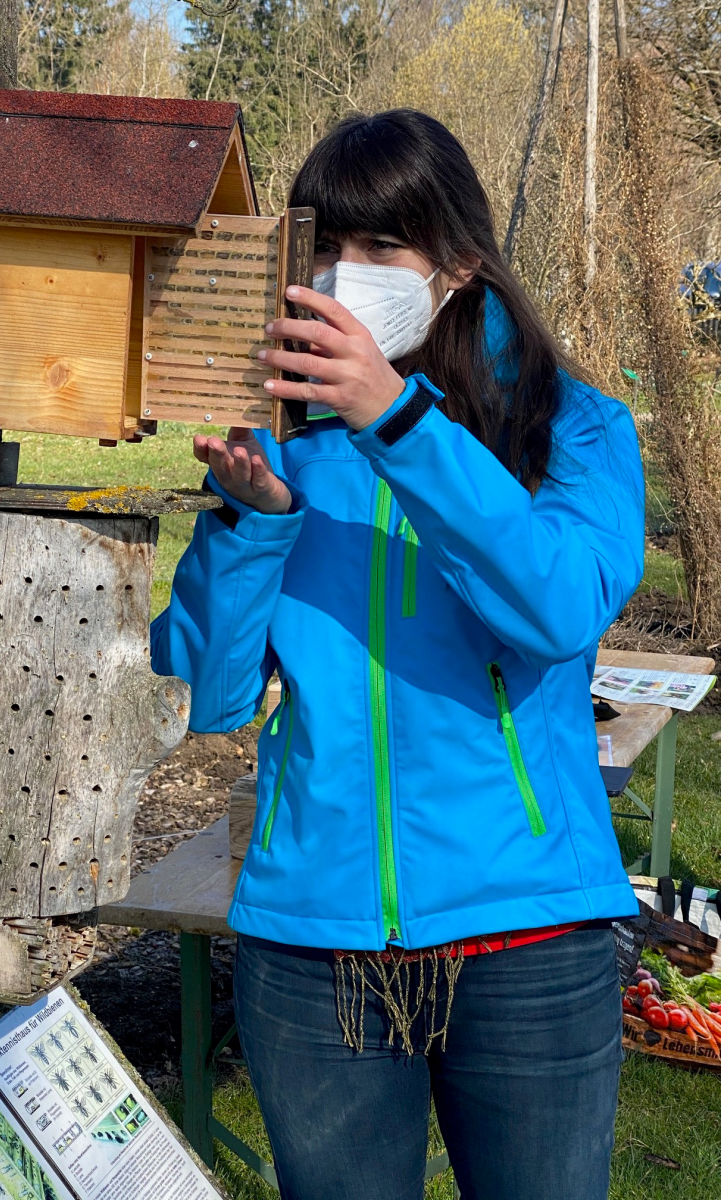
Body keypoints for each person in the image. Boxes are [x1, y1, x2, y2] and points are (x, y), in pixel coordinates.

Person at [151, 109, 645, 1200]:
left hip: (527, 932)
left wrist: (400, 424)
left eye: (381, 249)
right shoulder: (283, 438)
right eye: (324, 246)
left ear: (459, 266)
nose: (342, 274)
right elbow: (213, 692)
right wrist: (254, 521)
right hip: (312, 940)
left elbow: (559, 610)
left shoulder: (577, 428)